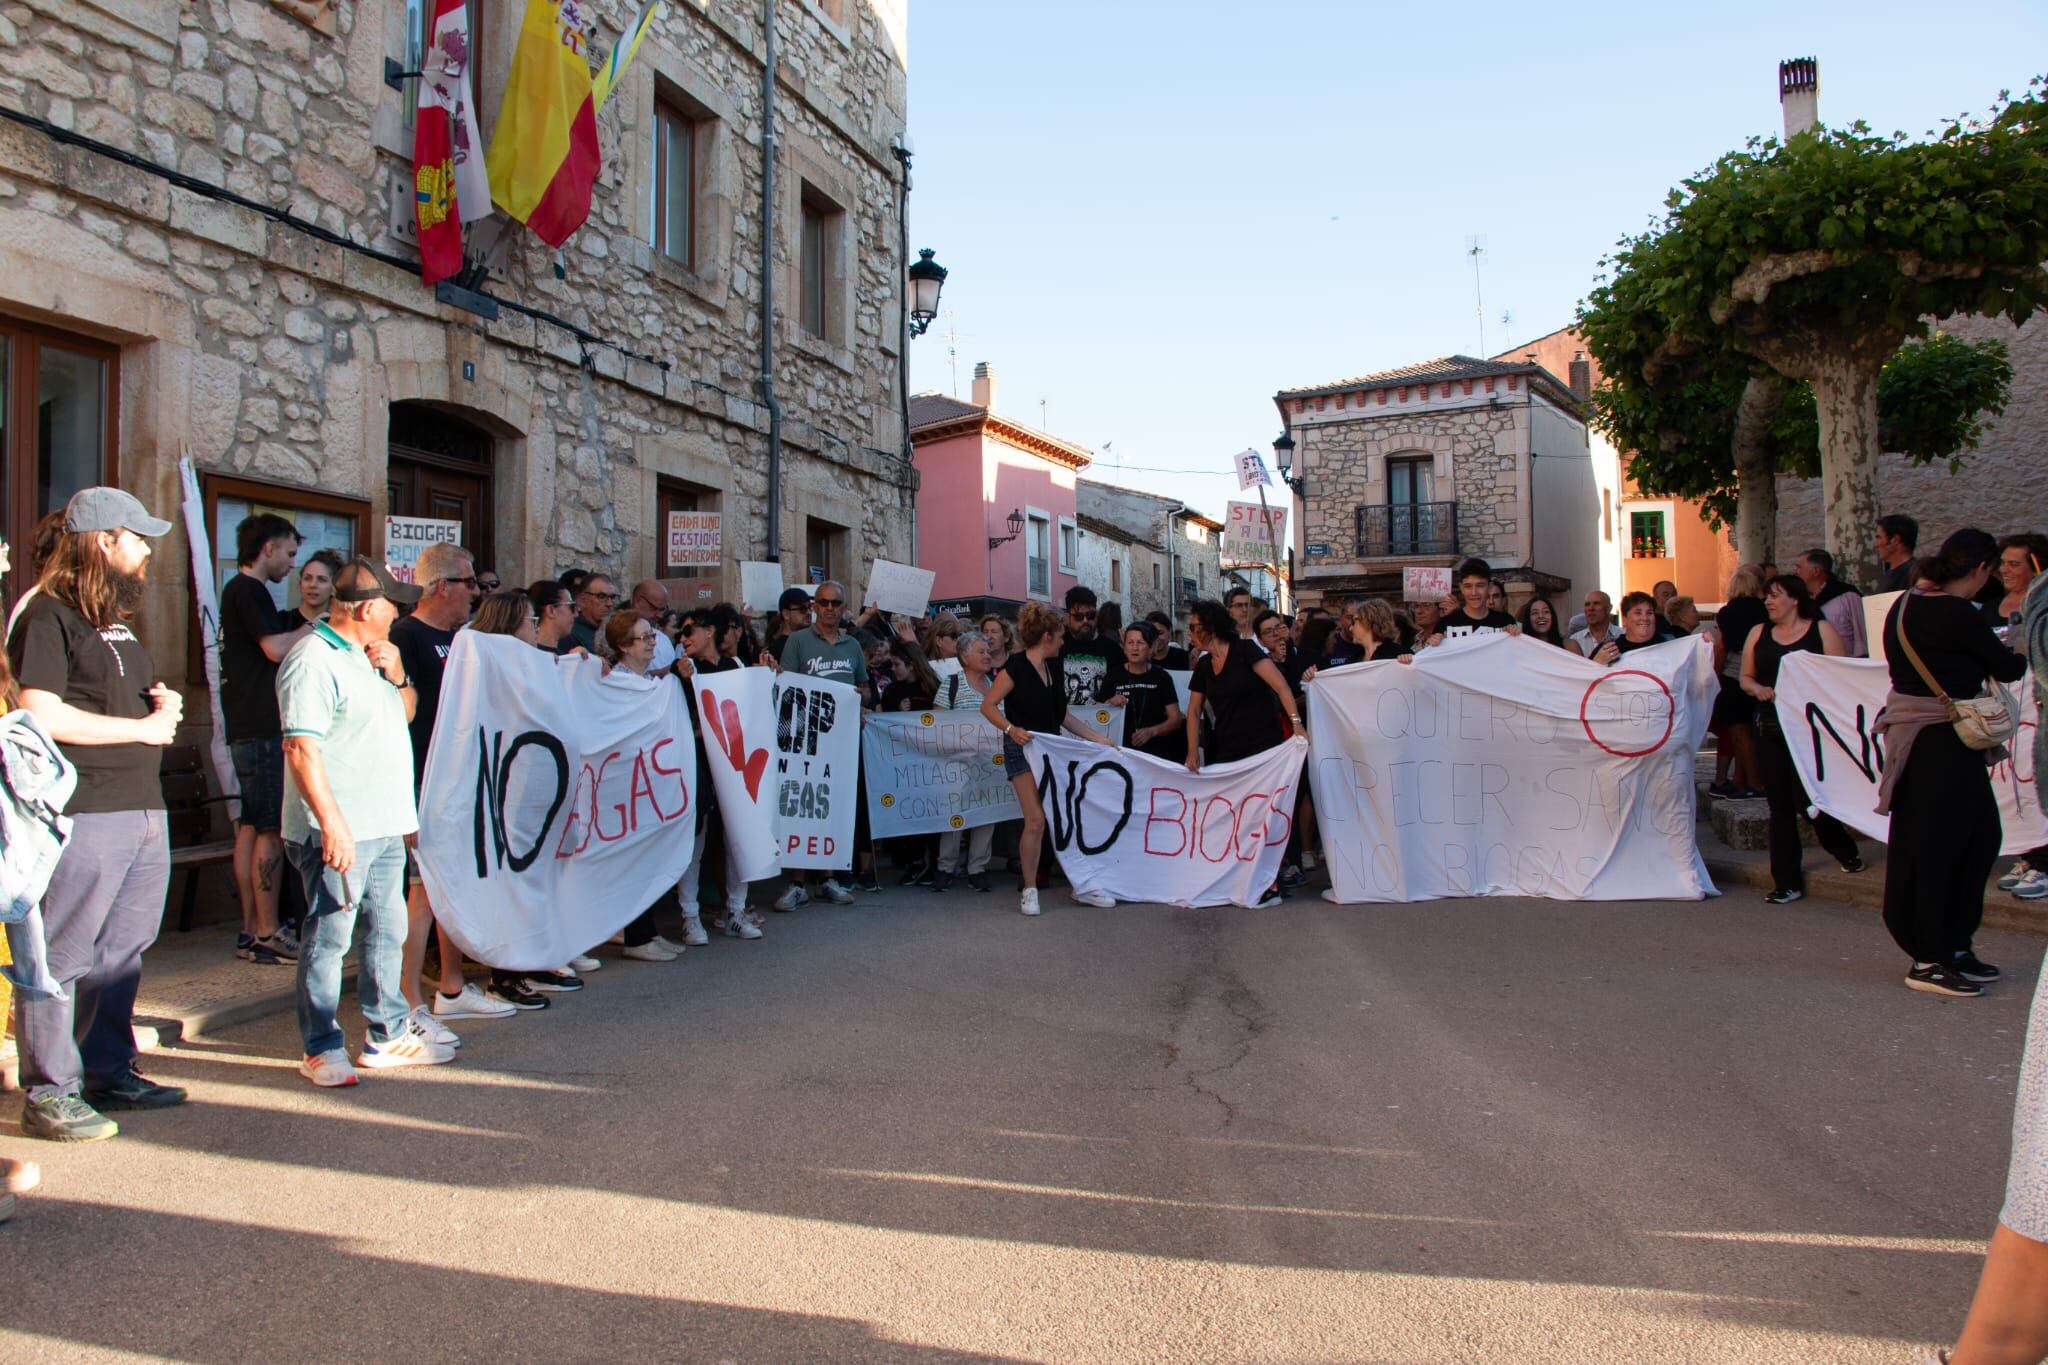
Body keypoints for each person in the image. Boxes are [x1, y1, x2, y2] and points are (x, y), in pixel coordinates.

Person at [8, 489, 185, 1142]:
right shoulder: (47, 614)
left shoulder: (114, 619)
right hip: (85, 807)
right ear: (104, 540)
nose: (145, 549)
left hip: (141, 805)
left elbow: (116, 701)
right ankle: (50, 1089)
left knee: (122, 950)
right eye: (136, 537)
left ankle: (109, 1067)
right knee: (62, 954)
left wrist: (157, 704)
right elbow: (42, 710)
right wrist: (142, 731)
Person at [281, 556, 454, 1085]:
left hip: (383, 822)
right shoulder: (312, 659)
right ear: (366, 608)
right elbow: (301, 748)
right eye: (389, 603)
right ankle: (320, 1045)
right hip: (340, 827)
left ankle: (386, 1033)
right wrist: (332, 824)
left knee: (388, 928)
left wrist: (399, 675)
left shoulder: (376, 653)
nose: (396, 612)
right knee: (330, 935)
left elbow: (404, 712)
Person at [1873, 529, 2026, 996]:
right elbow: (2008, 669)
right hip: (1941, 741)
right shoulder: (1958, 613)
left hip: (1923, 741)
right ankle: (1929, 957)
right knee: (1947, 847)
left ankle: (1953, 945)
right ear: (1981, 570)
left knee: (1973, 838)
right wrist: (2019, 639)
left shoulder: (1905, 604)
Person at [390, 544, 518, 1024]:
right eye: (469, 583)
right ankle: (406, 1000)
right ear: (442, 586)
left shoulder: (462, 638)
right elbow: (400, 719)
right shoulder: (406, 636)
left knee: (450, 889)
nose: (478, 592)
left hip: (462, 782)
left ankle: (451, 985)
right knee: (422, 893)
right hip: (423, 783)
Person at [978, 601, 1115, 916]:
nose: (1064, 641)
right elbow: (988, 706)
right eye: (1060, 635)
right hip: (1022, 749)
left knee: (1067, 818)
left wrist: (1098, 739)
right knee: (1036, 820)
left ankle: (1083, 885)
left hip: (1052, 748)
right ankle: (1029, 889)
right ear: (1047, 637)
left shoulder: (1054, 667)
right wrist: (1012, 729)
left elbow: (1062, 715)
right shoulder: (1015, 667)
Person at [218, 513, 311, 967]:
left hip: (248, 723)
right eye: (290, 554)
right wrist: (316, 630)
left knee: (253, 825)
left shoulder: (243, 591)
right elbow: (274, 648)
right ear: (268, 548)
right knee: (269, 828)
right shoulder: (249, 590)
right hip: (259, 724)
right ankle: (267, 930)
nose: (292, 564)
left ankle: (254, 927)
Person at [1738, 575, 1863, 905]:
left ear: (1795, 599)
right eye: (1767, 596)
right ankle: (1786, 881)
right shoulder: (1758, 633)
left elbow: (1841, 676)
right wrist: (1758, 689)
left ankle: (1844, 849)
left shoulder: (1821, 631)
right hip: (1770, 728)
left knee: (1809, 800)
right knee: (1779, 806)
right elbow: (1745, 677)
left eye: (1775, 595)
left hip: (1810, 731)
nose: (1768, 601)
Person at [1184, 600, 1302, 906]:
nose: (1190, 633)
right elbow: (1194, 711)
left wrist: (1297, 726)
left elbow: (1281, 687)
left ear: (1209, 626)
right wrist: (1192, 752)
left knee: (1263, 814)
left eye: (1194, 626)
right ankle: (1241, 876)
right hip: (1228, 750)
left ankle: (1270, 882)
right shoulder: (1205, 666)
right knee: (1237, 817)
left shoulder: (1246, 651)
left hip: (1263, 747)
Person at [773, 580, 865, 909]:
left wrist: (859, 701)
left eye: (835, 603)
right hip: (804, 739)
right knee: (804, 803)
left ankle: (828, 877)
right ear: (814, 606)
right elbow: (786, 686)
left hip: (840, 740)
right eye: (823, 603)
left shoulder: (852, 646)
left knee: (834, 805)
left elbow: (864, 687)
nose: (829, 609)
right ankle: (797, 882)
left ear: (843, 608)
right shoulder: (797, 642)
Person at [673, 608, 759, 943]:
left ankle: (736, 910)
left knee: (738, 838)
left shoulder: (735, 666)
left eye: (690, 630)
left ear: (710, 631)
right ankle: (689, 916)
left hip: (734, 763)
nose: (684, 639)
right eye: (681, 633)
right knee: (695, 842)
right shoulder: (680, 672)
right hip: (699, 764)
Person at [1993, 534, 2048, 902]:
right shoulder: (1998, 603)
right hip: (2016, 711)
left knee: (2038, 780)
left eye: (2015, 563)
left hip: (2036, 708)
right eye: (2003, 563)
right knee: (2018, 784)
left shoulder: (2042, 604)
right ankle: (2031, 854)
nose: (2005, 570)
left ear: (2036, 566)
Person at [934, 633, 998, 891]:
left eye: (988, 651)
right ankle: (945, 866)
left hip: (988, 763)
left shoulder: (995, 684)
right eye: (981, 651)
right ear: (964, 657)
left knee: (987, 813)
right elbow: (937, 721)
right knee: (954, 814)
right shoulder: (951, 684)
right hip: (957, 763)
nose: (987, 655)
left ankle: (977, 867)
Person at [1708, 566, 1769, 800]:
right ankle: (1741, 781)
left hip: (1734, 673)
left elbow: (1724, 646)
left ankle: (1755, 782)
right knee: (1753, 731)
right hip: (1761, 673)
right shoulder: (1764, 611)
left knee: (1739, 732)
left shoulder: (1726, 613)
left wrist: (1716, 673)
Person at [1098, 621, 1184, 762]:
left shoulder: (1162, 677)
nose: (1135, 648)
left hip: (1154, 756)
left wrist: (1152, 731)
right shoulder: (1113, 675)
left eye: (1140, 642)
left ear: (1150, 648)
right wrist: (1109, 703)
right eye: (1130, 642)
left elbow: (1175, 719)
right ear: (1123, 647)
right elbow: (1098, 715)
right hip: (1119, 753)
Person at [1795, 547, 1866, 658]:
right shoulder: (1798, 599)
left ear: (1816, 571)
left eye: (1799, 568)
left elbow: (1861, 634)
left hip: (1844, 664)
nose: (1796, 572)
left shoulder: (1847, 596)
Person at [1431, 559, 1519, 643]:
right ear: (1461, 588)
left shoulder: (1505, 621)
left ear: (1489, 587)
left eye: (1480, 585)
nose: (1474, 593)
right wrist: (1433, 643)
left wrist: (1516, 635)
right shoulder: (1446, 624)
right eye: (1468, 586)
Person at [1058, 585, 1115, 706]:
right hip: (1062, 722)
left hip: (1101, 721)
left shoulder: (1113, 649)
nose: (1085, 621)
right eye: (1078, 616)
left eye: (1090, 615)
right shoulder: (1057, 646)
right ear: (1068, 617)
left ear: (1097, 614)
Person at [627, 580, 679, 671]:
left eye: (662, 609)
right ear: (638, 601)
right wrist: (662, 673)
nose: (660, 615)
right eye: (655, 608)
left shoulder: (663, 639)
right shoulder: (621, 635)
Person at [528, 579, 580, 655]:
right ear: (551, 610)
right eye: (571, 606)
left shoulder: (571, 646)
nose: (576, 614)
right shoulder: (531, 655)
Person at [295, 549, 343, 627]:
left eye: (322, 580)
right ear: (300, 584)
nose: (312, 585)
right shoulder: (280, 621)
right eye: (307, 578)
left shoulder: (341, 625)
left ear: (334, 588)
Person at [569, 574, 617, 652]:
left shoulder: (617, 630)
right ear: (583, 600)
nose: (609, 603)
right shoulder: (571, 634)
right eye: (601, 596)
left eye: (612, 597)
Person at [1876, 514, 1919, 594]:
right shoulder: (1888, 573)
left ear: (1895, 540)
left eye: (1879, 537)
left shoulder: (1915, 574)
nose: (1876, 544)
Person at [1570, 591, 1620, 657]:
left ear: (1609, 608)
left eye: (1596, 603)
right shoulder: (1575, 641)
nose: (1591, 608)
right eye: (1587, 604)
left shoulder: (1623, 635)